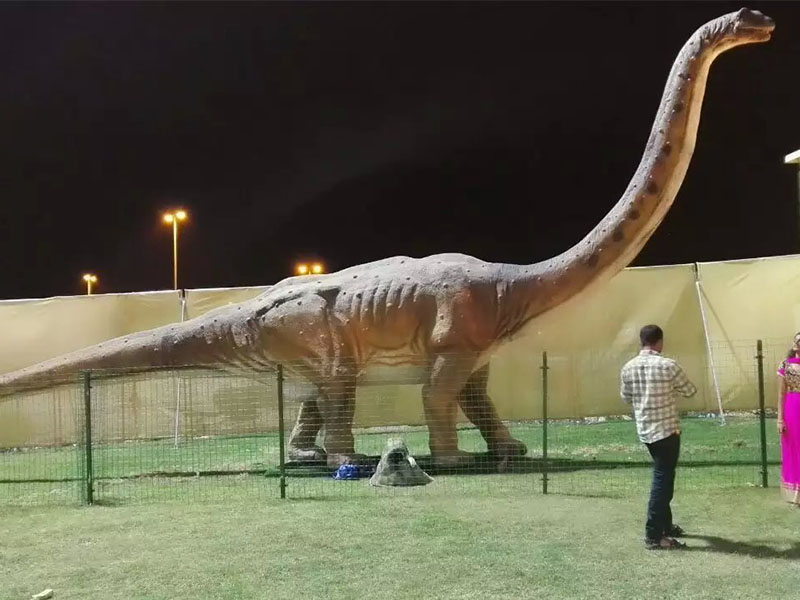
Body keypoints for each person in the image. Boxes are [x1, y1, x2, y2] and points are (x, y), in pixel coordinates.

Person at [620, 324, 697, 550]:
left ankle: (666, 525)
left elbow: (626, 397)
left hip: (645, 431)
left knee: (664, 477)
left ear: (641, 341)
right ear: (660, 341)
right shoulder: (668, 365)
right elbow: (690, 390)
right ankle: (654, 535)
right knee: (662, 481)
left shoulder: (628, 367)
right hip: (667, 430)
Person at [777, 332, 800, 507]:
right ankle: (795, 494)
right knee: (794, 448)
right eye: (798, 340)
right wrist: (780, 419)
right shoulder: (785, 365)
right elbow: (780, 394)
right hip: (792, 409)